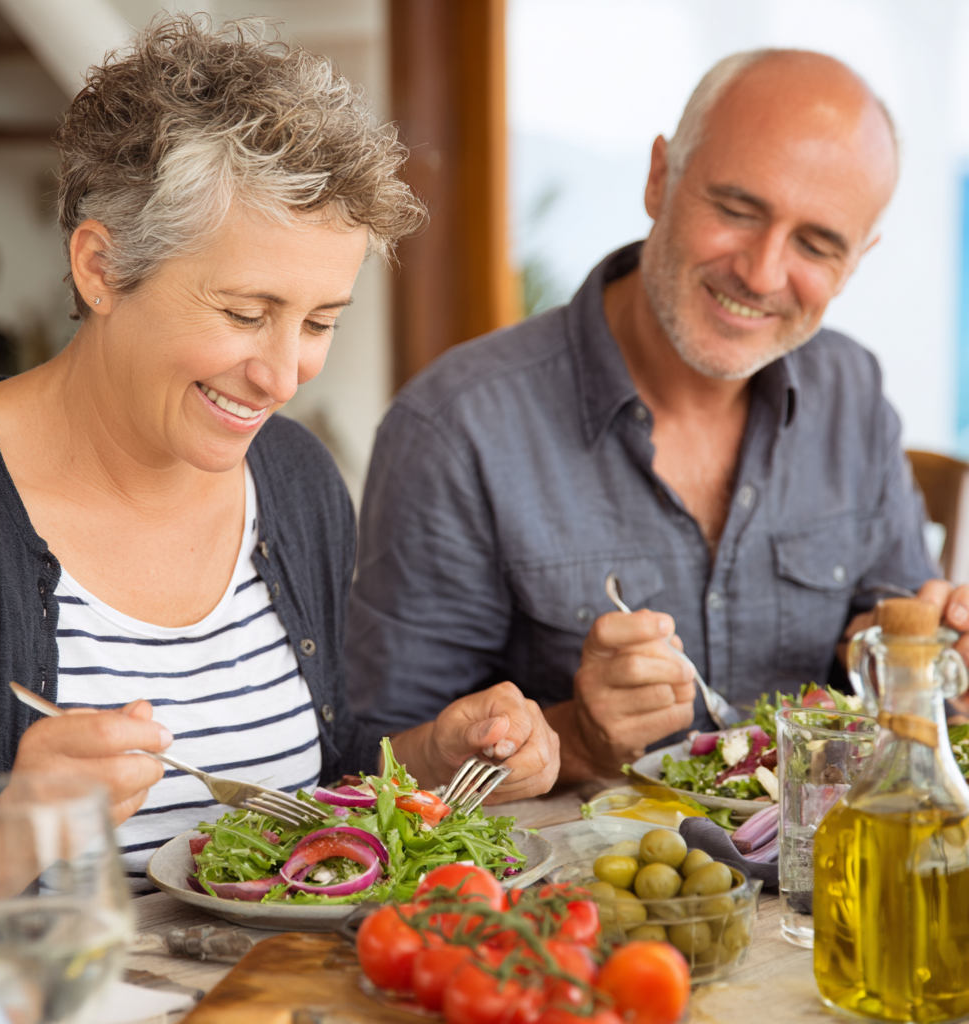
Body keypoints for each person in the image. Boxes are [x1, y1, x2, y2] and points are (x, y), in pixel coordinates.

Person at [0, 16, 558, 891]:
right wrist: (9, 833)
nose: (281, 376)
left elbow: (310, 791)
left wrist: (427, 761)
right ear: (100, 268)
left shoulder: (295, 480)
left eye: (319, 324)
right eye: (242, 313)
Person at [345, 48, 968, 783]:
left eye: (816, 244)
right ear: (659, 178)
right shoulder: (456, 426)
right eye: (737, 209)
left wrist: (929, 663)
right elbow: (373, 762)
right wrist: (575, 735)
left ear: (858, 259)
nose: (763, 273)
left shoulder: (852, 391)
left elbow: (900, 654)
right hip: (578, 890)